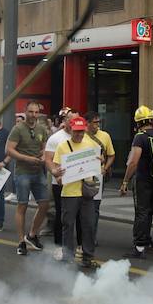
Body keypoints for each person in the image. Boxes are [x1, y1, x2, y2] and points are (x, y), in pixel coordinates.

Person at [46, 115, 101, 268]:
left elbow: (98, 160)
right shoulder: (63, 146)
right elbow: (55, 167)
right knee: (68, 225)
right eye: (76, 131)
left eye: (81, 131)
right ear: (70, 130)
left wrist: (99, 162)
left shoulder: (90, 144)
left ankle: (88, 257)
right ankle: (68, 257)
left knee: (89, 225)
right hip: (69, 192)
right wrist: (57, 174)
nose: (79, 134)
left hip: (86, 191)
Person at [118, 105, 153, 258]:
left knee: (142, 211)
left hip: (143, 179)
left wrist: (125, 181)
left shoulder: (140, 137)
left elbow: (134, 162)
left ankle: (140, 247)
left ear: (138, 122)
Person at [6, 101, 51, 255]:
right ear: (25, 112)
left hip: (38, 171)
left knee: (45, 204)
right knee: (22, 206)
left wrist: (44, 155)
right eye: (30, 112)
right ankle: (20, 242)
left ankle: (32, 234)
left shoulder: (42, 129)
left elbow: (45, 147)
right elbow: (9, 150)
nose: (33, 115)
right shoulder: (17, 129)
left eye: (36, 112)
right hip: (23, 172)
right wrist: (26, 159)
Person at [45, 110, 74, 258]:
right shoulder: (55, 138)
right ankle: (58, 246)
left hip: (77, 183)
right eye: (71, 119)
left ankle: (75, 247)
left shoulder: (82, 136)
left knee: (76, 216)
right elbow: (48, 159)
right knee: (61, 214)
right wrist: (55, 172)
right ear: (65, 120)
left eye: (76, 119)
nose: (73, 123)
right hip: (60, 183)